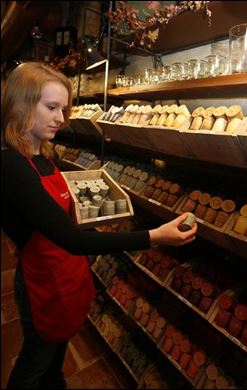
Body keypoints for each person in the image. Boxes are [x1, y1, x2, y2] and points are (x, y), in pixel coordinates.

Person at [1, 62, 197, 389]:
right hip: (43, 281)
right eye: (51, 107)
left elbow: (64, 221)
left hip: (66, 274)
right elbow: (70, 239)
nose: (60, 118)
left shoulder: (43, 155)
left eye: (63, 109)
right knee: (34, 360)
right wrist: (153, 236)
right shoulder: (11, 166)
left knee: (53, 357)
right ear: (22, 104)